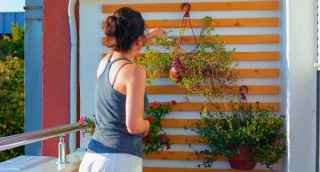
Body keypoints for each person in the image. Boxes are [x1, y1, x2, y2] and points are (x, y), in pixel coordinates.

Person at [79, 7, 166, 172]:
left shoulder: (104, 63)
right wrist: (147, 125)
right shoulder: (134, 72)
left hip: (93, 158)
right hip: (119, 161)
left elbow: (128, 46)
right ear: (138, 39)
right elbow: (133, 126)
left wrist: (148, 35)